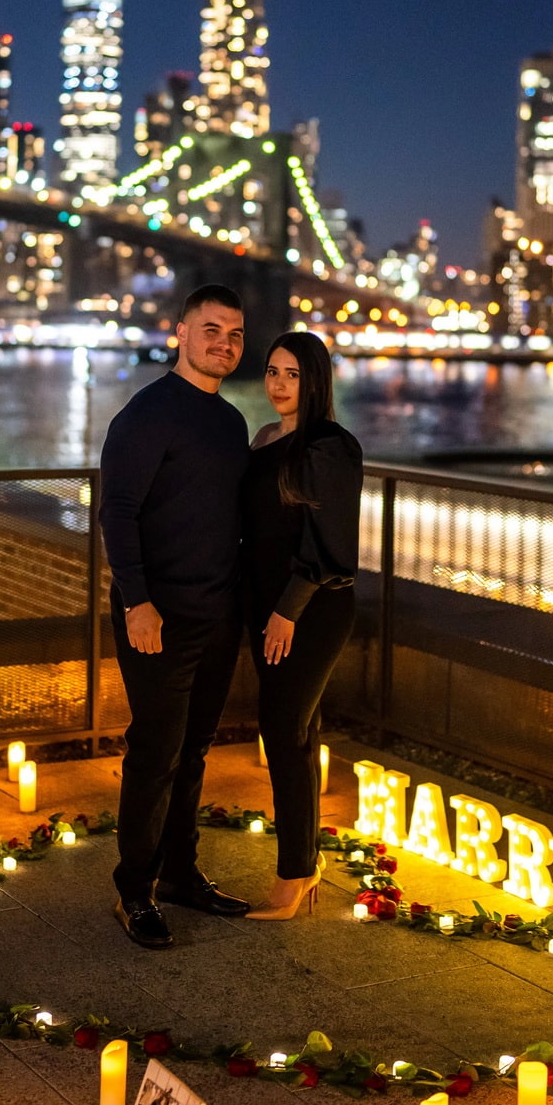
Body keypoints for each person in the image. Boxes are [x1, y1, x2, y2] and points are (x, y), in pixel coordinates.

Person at [99, 284, 251, 949]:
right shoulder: (146, 415)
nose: (225, 343)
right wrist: (137, 602)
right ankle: (134, 889)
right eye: (211, 330)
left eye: (236, 335)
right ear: (180, 334)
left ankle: (181, 874)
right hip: (157, 615)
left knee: (193, 750)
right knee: (155, 752)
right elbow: (118, 513)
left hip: (218, 614)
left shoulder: (230, 422)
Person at [244, 330, 362, 921]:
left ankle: (295, 871)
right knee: (297, 727)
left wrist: (287, 609)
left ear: (316, 380)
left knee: (284, 727)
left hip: (308, 608)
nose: (279, 384)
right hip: (263, 605)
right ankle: (305, 858)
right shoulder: (265, 437)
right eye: (272, 371)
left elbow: (327, 543)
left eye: (292, 374)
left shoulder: (331, 447)